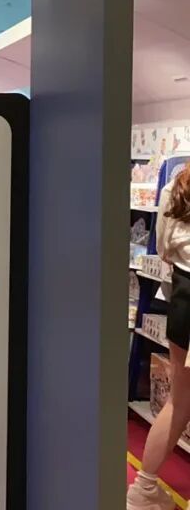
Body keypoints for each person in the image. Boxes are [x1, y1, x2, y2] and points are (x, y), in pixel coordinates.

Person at [129, 166, 190, 510]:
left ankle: (143, 489)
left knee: (179, 401)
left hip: (183, 295)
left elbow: (164, 248)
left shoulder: (175, 185)